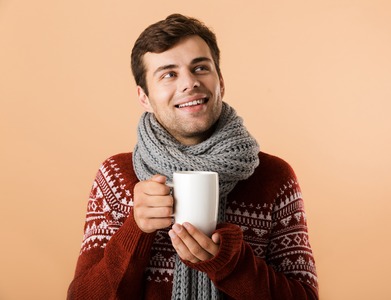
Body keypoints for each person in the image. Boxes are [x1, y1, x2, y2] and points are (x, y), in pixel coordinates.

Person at [67, 13, 318, 300]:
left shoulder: (274, 177)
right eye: (169, 74)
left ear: (220, 81)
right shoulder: (115, 176)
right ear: (144, 97)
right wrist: (135, 230)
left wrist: (232, 264)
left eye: (200, 68)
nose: (189, 83)